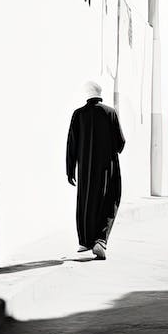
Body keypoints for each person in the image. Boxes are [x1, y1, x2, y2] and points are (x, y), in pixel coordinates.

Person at [66, 80, 125, 259]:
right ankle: (100, 240)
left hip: (85, 169)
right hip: (108, 167)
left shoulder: (78, 115)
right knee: (110, 200)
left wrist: (70, 170)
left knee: (86, 202)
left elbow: (71, 145)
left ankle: (84, 241)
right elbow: (120, 143)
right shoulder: (110, 113)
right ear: (100, 94)